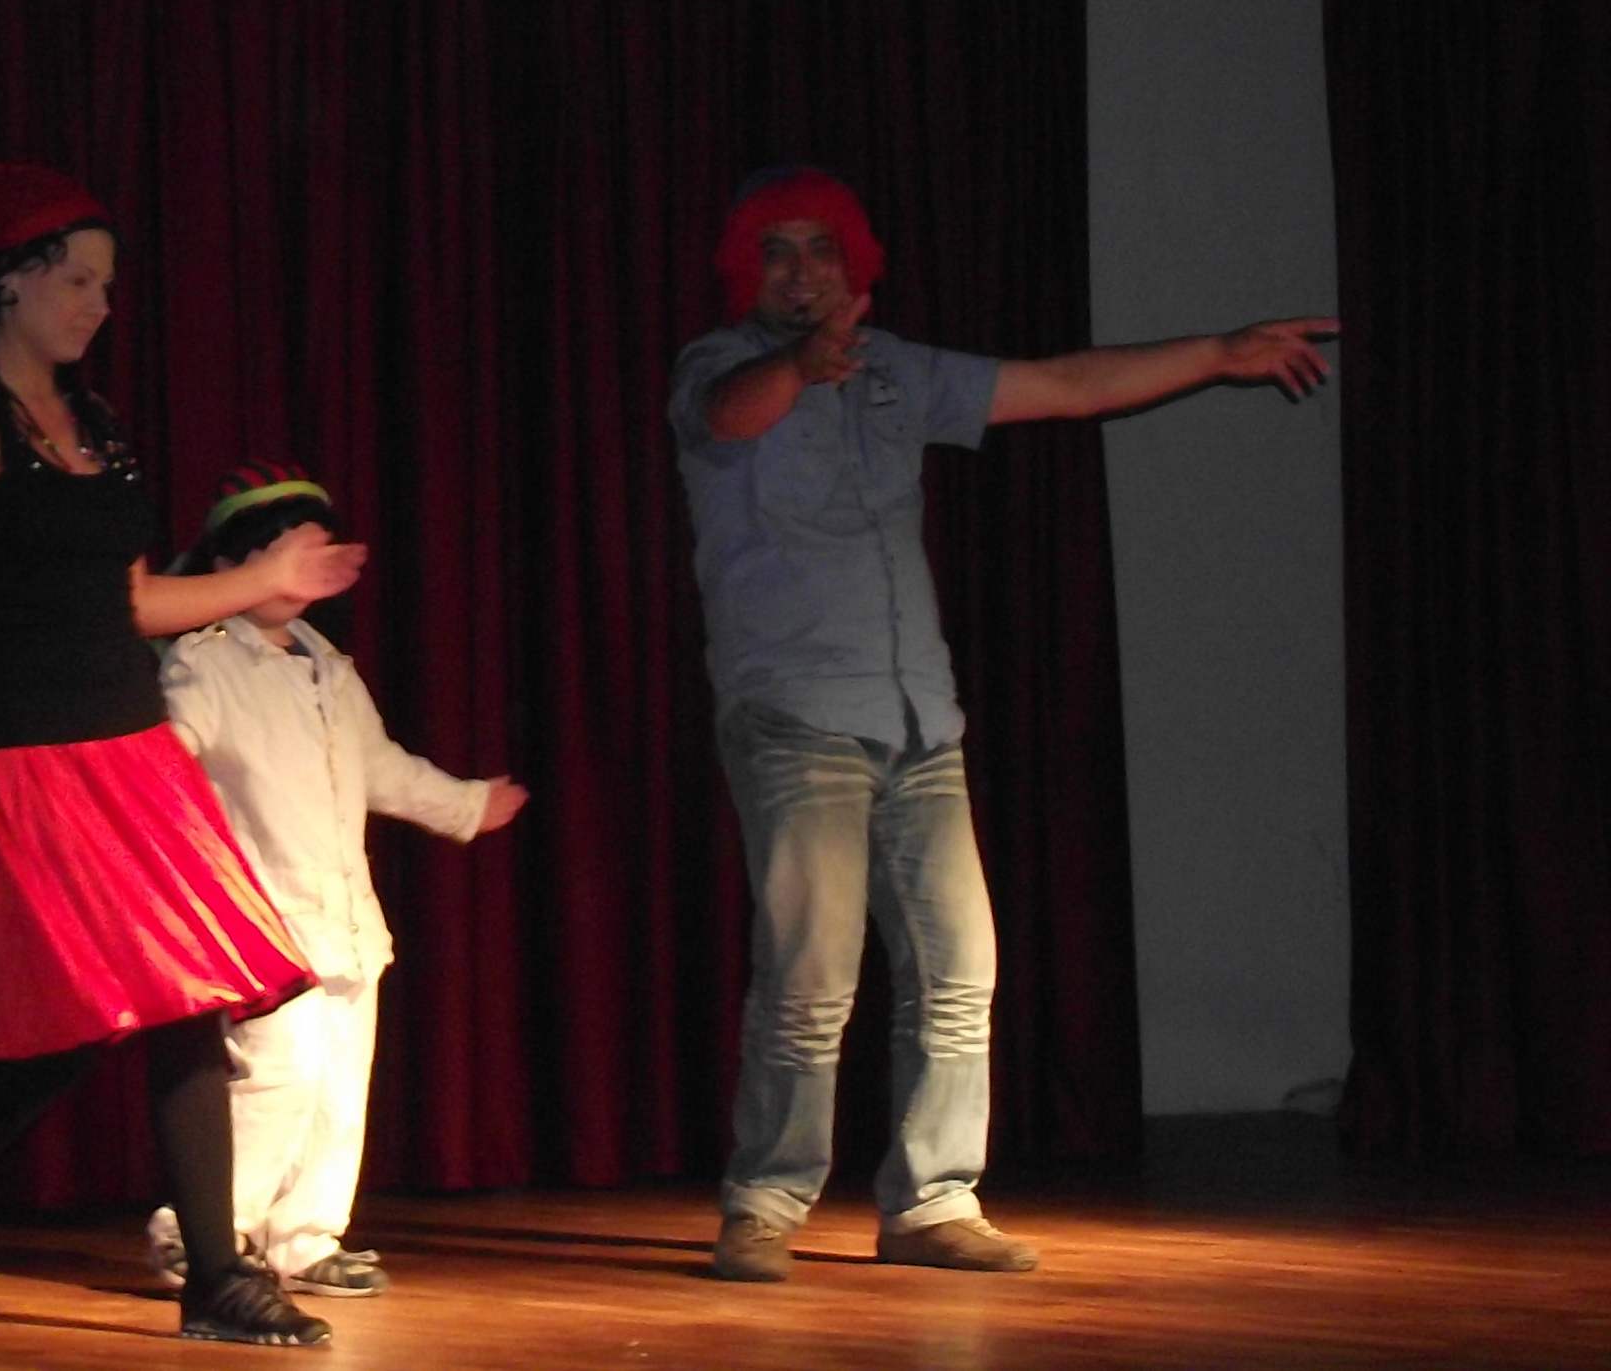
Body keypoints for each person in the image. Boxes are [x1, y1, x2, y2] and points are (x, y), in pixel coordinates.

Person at [668, 165, 1336, 1283]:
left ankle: (933, 1201)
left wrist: (1218, 353)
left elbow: (1065, 382)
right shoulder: (717, 365)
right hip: (796, 718)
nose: (800, 269)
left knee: (958, 971)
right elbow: (734, 412)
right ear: (750, 269)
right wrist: (799, 365)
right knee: (811, 975)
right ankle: (766, 1203)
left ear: (853, 262)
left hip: (920, 721)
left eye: (820, 248)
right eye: (777, 250)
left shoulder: (898, 371)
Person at [0, 163, 363, 1348]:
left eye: (107, 286)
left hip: (134, 754)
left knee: (193, 999)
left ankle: (217, 1278)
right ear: (12, 282)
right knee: (66, 1025)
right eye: (77, 280)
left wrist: (266, 576)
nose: (99, 304)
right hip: (29, 763)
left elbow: (135, 602)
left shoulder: (101, 427)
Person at [137, 463, 529, 1300]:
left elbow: (380, 766)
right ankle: (202, 1233)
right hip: (264, 921)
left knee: (339, 1086)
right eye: (294, 550)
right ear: (238, 562)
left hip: (345, 921)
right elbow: (166, 760)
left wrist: (466, 803)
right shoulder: (206, 663)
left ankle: (306, 1237)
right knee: (275, 1079)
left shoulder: (328, 666)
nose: (314, 568)